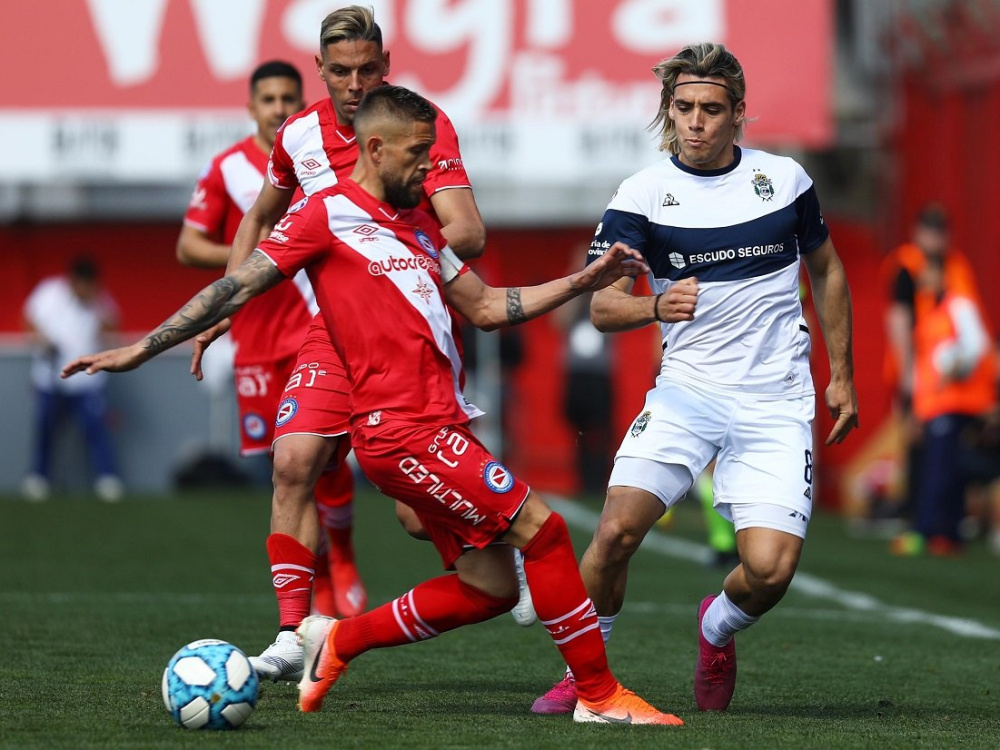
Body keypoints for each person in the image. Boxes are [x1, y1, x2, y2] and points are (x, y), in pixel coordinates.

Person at [63, 84, 684, 726]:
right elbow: (235, 285)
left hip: (441, 422)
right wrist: (142, 348)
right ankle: (598, 696)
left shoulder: (420, 226)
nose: (429, 168)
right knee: (545, 533)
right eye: (418, 155)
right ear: (377, 148)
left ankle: (337, 640)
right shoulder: (323, 213)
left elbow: (486, 306)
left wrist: (582, 282)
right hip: (401, 430)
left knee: (492, 587)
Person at [531, 42, 858, 715]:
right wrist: (654, 305)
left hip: (775, 400)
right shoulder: (641, 196)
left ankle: (717, 627)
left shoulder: (785, 181)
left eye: (711, 108)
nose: (696, 121)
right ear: (668, 110)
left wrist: (842, 377)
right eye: (684, 108)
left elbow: (826, 268)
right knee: (614, 533)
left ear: (738, 112)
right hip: (687, 394)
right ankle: (585, 675)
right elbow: (601, 307)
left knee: (770, 571)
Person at [187, 6, 499, 682]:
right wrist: (225, 305)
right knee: (294, 462)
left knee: (415, 518)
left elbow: (469, 231)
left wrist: (401, 245)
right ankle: (292, 633)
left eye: (366, 70)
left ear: (385, 66)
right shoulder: (297, 135)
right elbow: (259, 219)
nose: (355, 84)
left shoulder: (422, 123)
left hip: (407, 330)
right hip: (330, 331)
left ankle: (503, 546)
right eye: (340, 71)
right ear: (320, 71)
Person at [175, 60, 365, 633]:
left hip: (316, 323)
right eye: (268, 99)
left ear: (300, 102)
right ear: (252, 107)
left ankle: (342, 556)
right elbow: (189, 246)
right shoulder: (227, 168)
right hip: (257, 334)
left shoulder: (317, 156)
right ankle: (318, 575)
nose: (279, 108)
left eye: (288, 98)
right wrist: (266, 256)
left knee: (325, 455)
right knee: (285, 466)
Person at [881, 205, 982, 524]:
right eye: (930, 230)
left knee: (944, 452)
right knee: (918, 441)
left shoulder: (956, 266)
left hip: (953, 380)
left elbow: (971, 329)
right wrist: (908, 374)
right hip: (924, 373)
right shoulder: (907, 266)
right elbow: (899, 321)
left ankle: (936, 517)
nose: (935, 238)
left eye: (940, 231)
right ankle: (916, 507)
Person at [890, 255, 996, 555]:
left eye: (928, 274)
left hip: (957, 403)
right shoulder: (931, 309)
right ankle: (949, 535)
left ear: (941, 275)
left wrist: (955, 367)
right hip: (935, 405)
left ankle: (925, 531)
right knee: (947, 469)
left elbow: (977, 344)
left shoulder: (958, 304)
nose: (923, 280)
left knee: (938, 470)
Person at [22, 256, 124, 502]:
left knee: (96, 429)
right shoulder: (49, 293)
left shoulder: (100, 300)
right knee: (46, 429)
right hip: (50, 378)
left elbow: (113, 329)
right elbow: (28, 320)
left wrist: (100, 313)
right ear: (73, 281)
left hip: (87, 382)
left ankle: (107, 478)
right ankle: (38, 477)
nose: (87, 289)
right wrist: (43, 341)